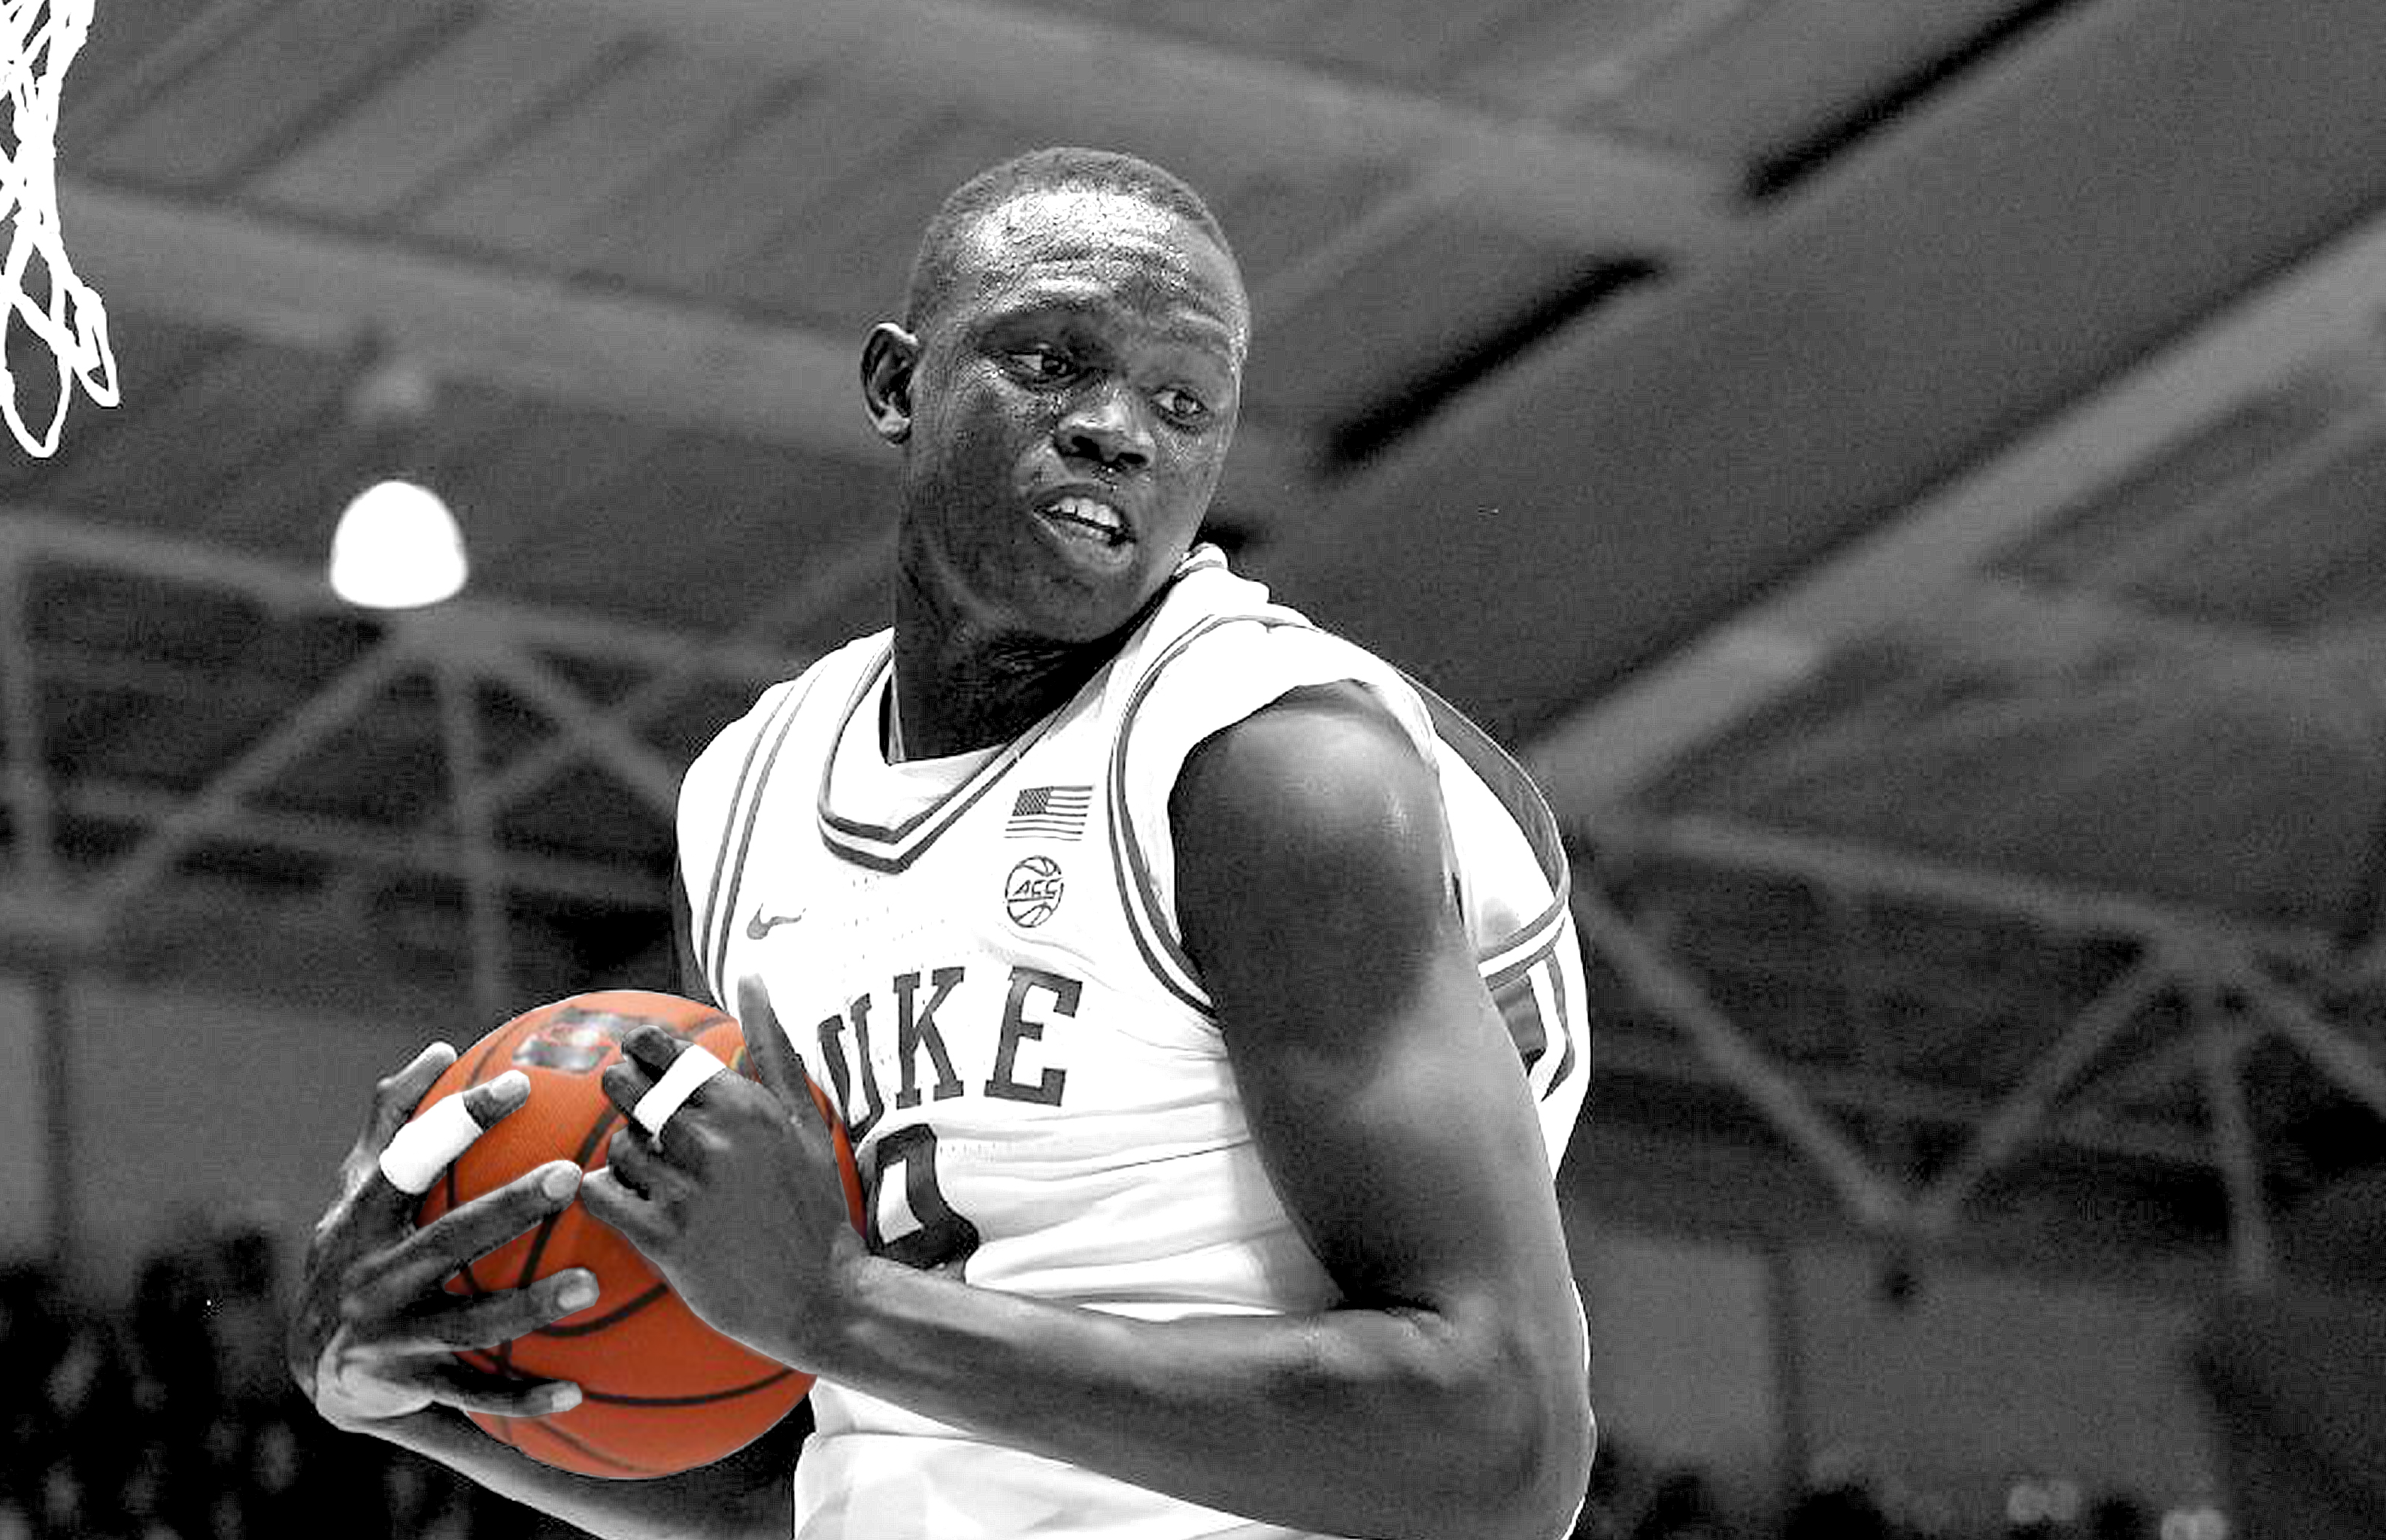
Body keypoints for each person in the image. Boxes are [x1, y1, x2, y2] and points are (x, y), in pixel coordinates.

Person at [293, 145, 1596, 1540]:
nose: (1120, 430)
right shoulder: (748, 799)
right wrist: (418, 1393)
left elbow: (1505, 1448)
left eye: (1184, 402)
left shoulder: (1267, 765)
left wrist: (840, 1307)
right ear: (896, 386)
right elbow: (789, 1455)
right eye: (1052, 361)